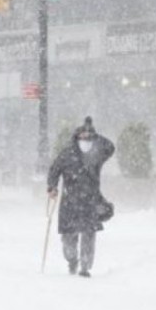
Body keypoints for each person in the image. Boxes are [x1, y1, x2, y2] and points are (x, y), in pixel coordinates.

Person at [47, 116, 115, 278]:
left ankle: (85, 267)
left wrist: (94, 132)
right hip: (69, 201)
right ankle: (72, 260)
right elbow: (55, 170)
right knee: (68, 238)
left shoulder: (96, 153)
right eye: (82, 134)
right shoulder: (67, 153)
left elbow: (110, 147)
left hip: (90, 201)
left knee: (88, 236)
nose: (86, 137)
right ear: (76, 136)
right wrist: (52, 187)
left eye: (89, 135)